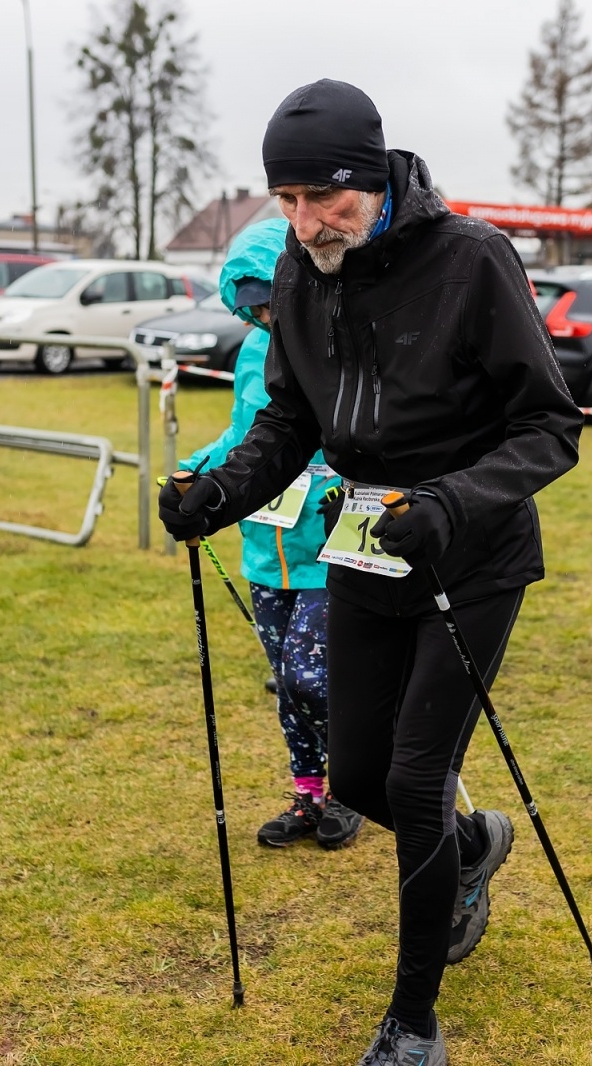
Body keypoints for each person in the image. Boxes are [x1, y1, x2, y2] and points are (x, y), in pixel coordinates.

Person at [159, 80, 581, 1066]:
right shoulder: (304, 272)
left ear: (373, 178)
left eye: (324, 198)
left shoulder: (472, 261)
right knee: (354, 772)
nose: (305, 223)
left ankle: (413, 1023)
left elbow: (550, 427)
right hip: (361, 541)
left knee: (414, 773)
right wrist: (215, 494)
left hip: (468, 550)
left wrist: (449, 502)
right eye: (286, 200)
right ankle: (470, 851)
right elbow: (290, 420)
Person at [184, 217, 363, 851]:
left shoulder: (340, 337)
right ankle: (308, 794)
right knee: (288, 684)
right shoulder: (254, 353)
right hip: (265, 546)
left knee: (312, 676)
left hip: (325, 545)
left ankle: (352, 787)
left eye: (269, 304)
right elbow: (243, 437)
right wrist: (194, 474)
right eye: (250, 311)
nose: (262, 320)